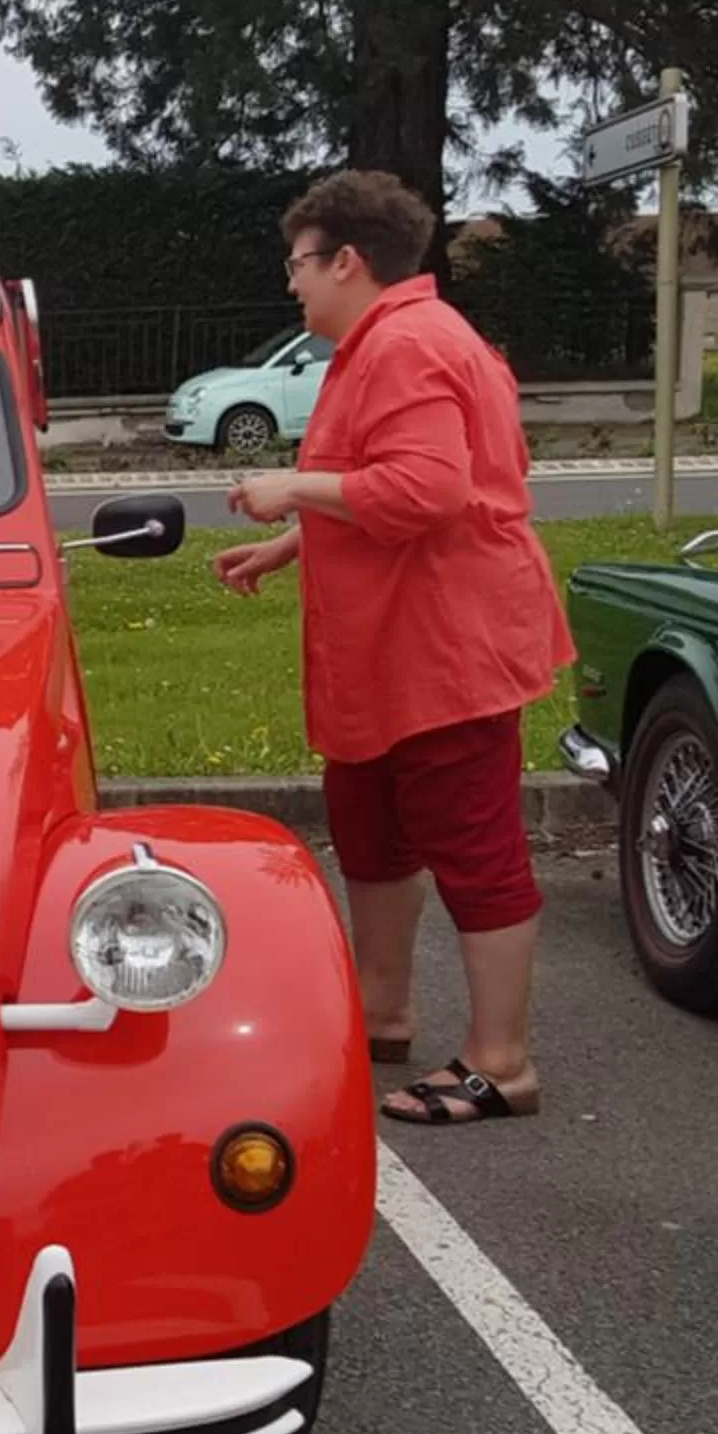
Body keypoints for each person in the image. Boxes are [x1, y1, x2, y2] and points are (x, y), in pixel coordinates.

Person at [213, 167, 572, 1130]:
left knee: (471, 846)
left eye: (298, 264)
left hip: (442, 646)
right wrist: (293, 542)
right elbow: (387, 482)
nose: (292, 285)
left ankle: (502, 1063)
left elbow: (427, 492)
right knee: (372, 828)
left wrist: (295, 489)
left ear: (348, 260)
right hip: (392, 645)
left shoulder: (407, 345)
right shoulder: (396, 339)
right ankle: (381, 1014)